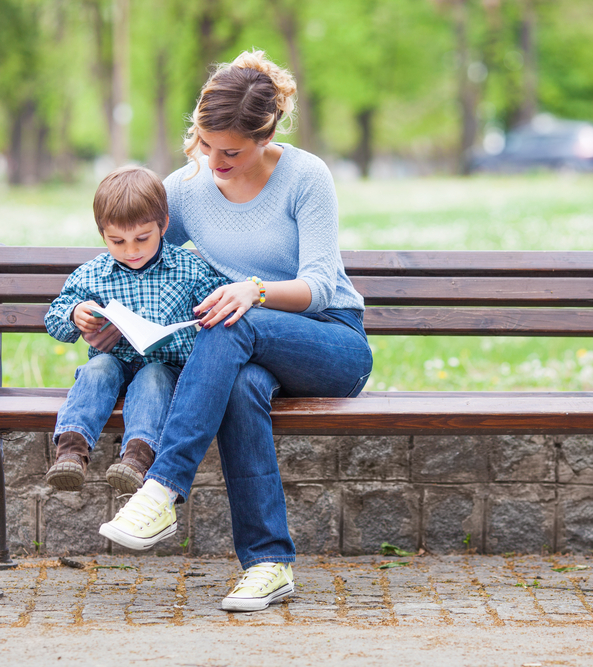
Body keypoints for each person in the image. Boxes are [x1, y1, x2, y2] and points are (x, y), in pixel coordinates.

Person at [91, 50, 374, 613]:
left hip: (330, 343)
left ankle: (162, 487)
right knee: (241, 384)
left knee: (230, 322)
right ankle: (269, 565)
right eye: (202, 142)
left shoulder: (304, 176)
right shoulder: (188, 188)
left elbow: (320, 283)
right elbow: (137, 263)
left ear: (266, 135)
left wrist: (254, 289)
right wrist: (101, 316)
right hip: (246, 349)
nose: (212, 159)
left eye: (231, 152)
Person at [44, 166, 229, 495]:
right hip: (115, 362)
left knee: (154, 375)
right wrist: (75, 315)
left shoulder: (190, 268)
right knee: (97, 367)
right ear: (103, 234)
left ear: (164, 225)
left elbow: (219, 307)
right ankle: (71, 451)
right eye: (117, 241)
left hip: (167, 368)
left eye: (142, 238)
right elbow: (54, 315)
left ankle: (136, 459)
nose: (131, 251)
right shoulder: (93, 274)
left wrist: (208, 315)